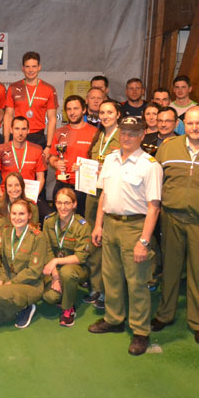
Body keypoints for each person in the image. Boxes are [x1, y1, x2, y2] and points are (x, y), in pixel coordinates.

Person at [150, 106, 199, 346]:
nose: (195, 128)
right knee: (170, 270)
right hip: (171, 219)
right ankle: (164, 314)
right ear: (183, 124)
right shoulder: (168, 147)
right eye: (190, 123)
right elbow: (155, 181)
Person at [88, 116, 162, 356]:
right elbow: (104, 195)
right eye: (124, 132)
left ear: (142, 135)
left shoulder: (150, 165)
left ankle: (140, 331)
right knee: (111, 277)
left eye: (132, 133)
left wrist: (144, 241)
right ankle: (114, 319)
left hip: (135, 227)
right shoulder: (110, 159)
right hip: (110, 224)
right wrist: (98, 225)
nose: (127, 137)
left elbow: (154, 207)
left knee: (137, 281)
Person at [0, 198, 46, 329]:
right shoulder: (6, 233)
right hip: (9, 282)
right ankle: (18, 308)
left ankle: (27, 305)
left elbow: (34, 271)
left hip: (30, 284)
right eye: (14, 213)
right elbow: (5, 263)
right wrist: (1, 280)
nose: (17, 217)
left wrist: (11, 283)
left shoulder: (38, 237)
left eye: (22, 214)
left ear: (29, 215)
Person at [82, 99, 121, 310]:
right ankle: (96, 287)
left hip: (113, 194)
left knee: (109, 243)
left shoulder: (123, 137)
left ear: (118, 115)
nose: (105, 116)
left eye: (109, 112)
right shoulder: (98, 136)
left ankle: (109, 291)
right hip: (93, 193)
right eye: (102, 113)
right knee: (94, 240)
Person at [41, 188, 91, 327]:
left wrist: (56, 261)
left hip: (77, 268)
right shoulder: (49, 222)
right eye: (59, 203)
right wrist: (55, 277)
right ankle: (64, 291)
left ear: (74, 204)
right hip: (55, 268)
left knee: (67, 272)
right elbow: (47, 250)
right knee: (50, 298)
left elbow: (81, 257)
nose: (63, 207)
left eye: (67, 203)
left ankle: (68, 308)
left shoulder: (82, 226)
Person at [47, 95, 96, 215]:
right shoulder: (59, 132)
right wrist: (56, 163)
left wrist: (84, 167)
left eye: (76, 108)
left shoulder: (94, 133)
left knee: (82, 221)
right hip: (62, 184)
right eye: (69, 109)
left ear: (84, 110)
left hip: (83, 186)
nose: (72, 112)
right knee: (59, 219)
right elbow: (52, 156)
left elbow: (98, 162)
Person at [3, 51, 58, 155]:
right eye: (27, 67)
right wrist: (6, 143)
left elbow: (52, 119)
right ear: (22, 68)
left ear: (39, 67)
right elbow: (8, 115)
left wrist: (49, 146)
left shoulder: (49, 89)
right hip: (17, 136)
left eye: (34, 66)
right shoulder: (13, 88)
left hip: (38, 138)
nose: (31, 70)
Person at [0, 116, 45, 199]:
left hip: (29, 196)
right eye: (17, 129)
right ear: (11, 130)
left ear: (28, 130)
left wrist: (33, 197)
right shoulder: (1, 149)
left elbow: (41, 177)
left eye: (24, 129)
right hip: (7, 196)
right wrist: (1, 195)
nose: (20, 133)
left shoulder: (37, 150)